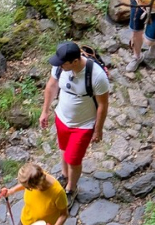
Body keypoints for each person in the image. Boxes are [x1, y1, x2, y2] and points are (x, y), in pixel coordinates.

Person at [39, 41, 109, 200]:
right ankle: (65, 176)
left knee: (73, 159)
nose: (59, 65)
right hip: (62, 118)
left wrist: (98, 130)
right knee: (63, 150)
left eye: (63, 63)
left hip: (83, 125)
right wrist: (45, 111)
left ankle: (71, 189)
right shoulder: (60, 66)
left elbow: (103, 105)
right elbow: (51, 86)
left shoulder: (97, 76)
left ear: (75, 62)